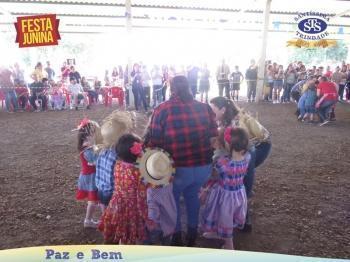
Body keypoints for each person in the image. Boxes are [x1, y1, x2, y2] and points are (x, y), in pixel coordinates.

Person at [146, 75, 218, 247]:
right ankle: (192, 232)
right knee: (192, 196)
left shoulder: (162, 109)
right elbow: (214, 135)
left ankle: (176, 234)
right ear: (189, 87)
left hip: (177, 169)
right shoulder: (204, 107)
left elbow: (155, 142)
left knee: (174, 200)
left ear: (172, 89)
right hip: (203, 167)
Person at [209, 96, 271, 231]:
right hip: (254, 146)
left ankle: (245, 216)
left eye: (213, 111)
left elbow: (246, 149)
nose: (210, 114)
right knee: (239, 172)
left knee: (244, 178)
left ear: (223, 109)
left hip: (257, 148)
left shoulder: (235, 125)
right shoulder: (227, 121)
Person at [201, 127, 250, 250]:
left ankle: (229, 246)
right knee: (227, 217)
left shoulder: (223, 163)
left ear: (228, 145)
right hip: (239, 193)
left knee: (225, 218)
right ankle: (217, 232)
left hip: (225, 196)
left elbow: (213, 176)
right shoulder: (247, 157)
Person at [98, 134, 148, 244]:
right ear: (138, 154)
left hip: (117, 203)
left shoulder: (118, 165)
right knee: (128, 230)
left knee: (119, 225)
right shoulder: (138, 172)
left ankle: (117, 243)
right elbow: (143, 191)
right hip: (131, 207)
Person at [95, 111, 133, 211]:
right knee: (112, 213)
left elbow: (98, 168)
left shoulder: (102, 151)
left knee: (105, 211)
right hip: (111, 192)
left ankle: (105, 224)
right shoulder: (117, 155)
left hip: (100, 189)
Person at [75, 118, 102, 228]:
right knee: (92, 201)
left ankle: (91, 219)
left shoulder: (87, 145)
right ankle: (88, 221)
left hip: (90, 175)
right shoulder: (87, 147)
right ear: (89, 135)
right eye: (95, 133)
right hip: (90, 177)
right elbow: (94, 161)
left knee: (95, 200)